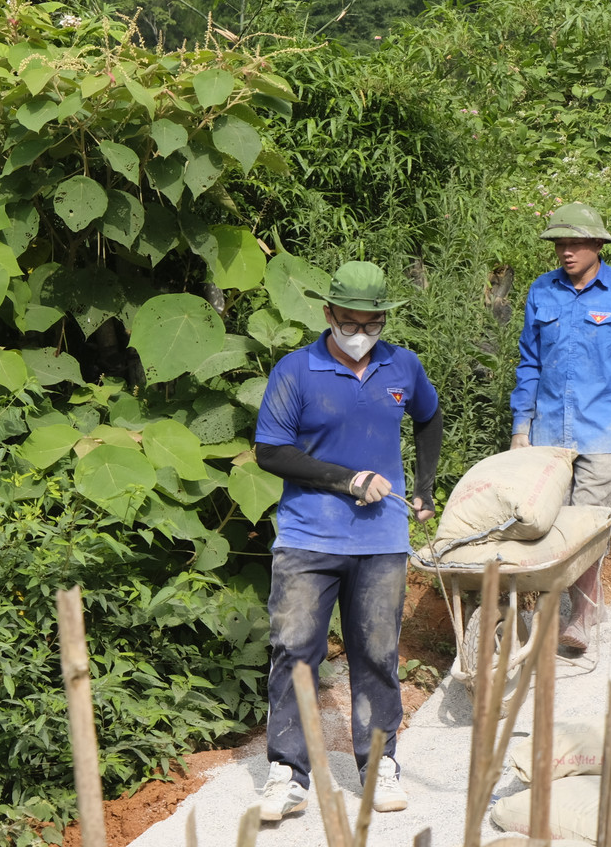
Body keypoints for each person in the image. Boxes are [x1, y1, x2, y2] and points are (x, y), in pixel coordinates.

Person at [251, 260, 443, 822]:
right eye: (350, 321)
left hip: (382, 538)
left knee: (378, 653)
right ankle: (287, 772)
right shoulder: (295, 370)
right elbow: (272, 452)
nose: (360, 333)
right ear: (329, 313)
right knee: (295, 651)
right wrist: (347, 478)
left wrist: (425, 487)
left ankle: (378, 764)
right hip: (309, 535)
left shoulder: (402, 366)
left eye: (372, 322)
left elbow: (428, 419)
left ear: (384, 318)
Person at [509, 202, 611, 652]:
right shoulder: (542, 292)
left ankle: (582, 613)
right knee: (542, 519)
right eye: (560, 243)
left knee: (589, 523)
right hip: (548, 431)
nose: (566, 251)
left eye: (575, 243)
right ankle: (539, 606)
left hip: (602, 429)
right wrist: (522, 424)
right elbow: (530, 362)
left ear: (598, 245)